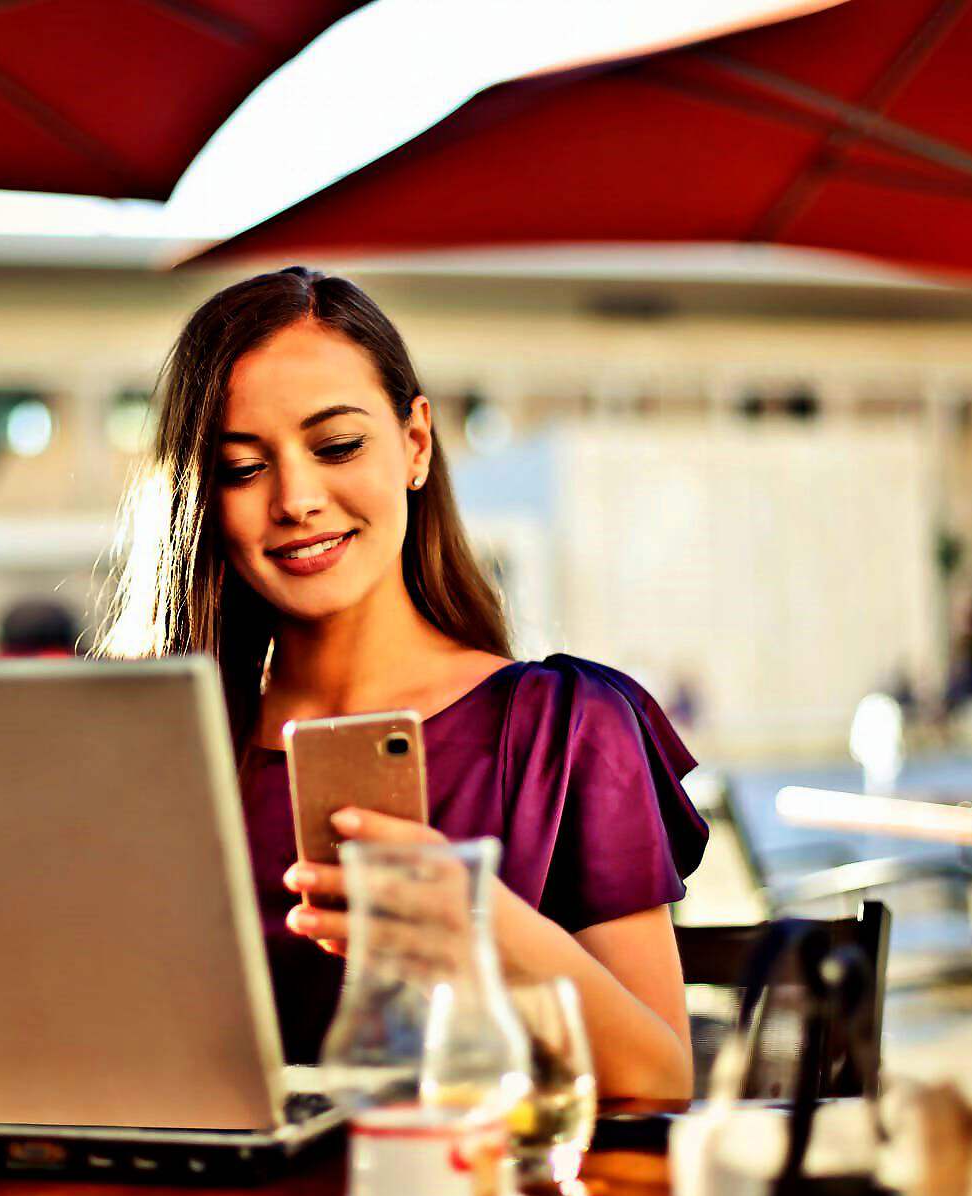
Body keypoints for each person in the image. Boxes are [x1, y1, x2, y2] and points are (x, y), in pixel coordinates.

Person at [98, 267, 705, 1098]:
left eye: (337, 446)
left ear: (415, 444)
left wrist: (478, 927)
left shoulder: (566, 726)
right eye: (243, 468)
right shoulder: (151, 749)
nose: (298, 499)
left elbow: (663, 1075)